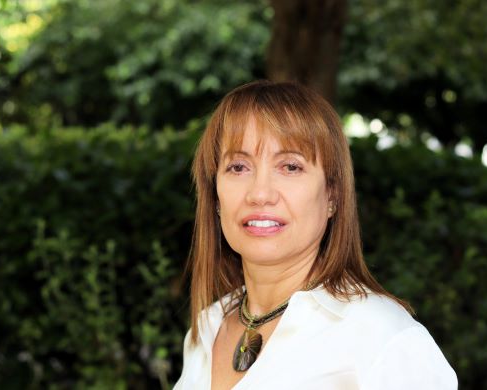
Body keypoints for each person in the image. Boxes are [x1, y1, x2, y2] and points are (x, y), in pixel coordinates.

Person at [173, 80, 458, 389]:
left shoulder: (381, 337)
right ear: (215, 197)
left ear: (332, 196)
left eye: (290, 167)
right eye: (239, 167)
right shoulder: (206, 328)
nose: (260, 193)